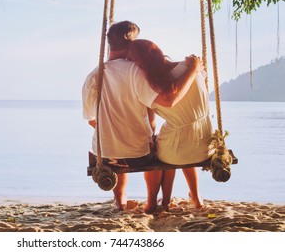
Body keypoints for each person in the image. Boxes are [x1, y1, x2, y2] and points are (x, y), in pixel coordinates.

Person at [82, 21, 203, 211]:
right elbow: (167, 101)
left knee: (119, 149)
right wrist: (192, 68)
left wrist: (113, 131)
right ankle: (151, 202)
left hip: (105, 155)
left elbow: (90, 118)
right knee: (156, 152)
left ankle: (120, 200)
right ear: (131, 42)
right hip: (139, 155)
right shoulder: (137, 73)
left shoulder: (93, 76)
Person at [127, 39, 213, 210]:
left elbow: (151, 123)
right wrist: (194, 67)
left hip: (177, 149)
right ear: (158, 51)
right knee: (179, 141)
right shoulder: (193, 68)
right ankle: (195, 197)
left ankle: (161, 202)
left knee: (163, 150)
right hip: (206, 145)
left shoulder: (152, 88)